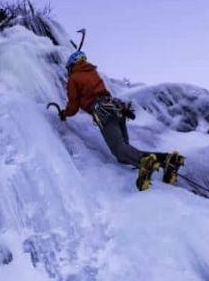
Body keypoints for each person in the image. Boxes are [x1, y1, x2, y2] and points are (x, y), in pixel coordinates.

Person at [58, 50, 183, 191]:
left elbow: (73, 106)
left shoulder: (74, 78)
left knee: (120, 151)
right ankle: (167, 160)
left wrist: (64, 113)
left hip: (103, 112)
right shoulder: (92, 72)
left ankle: (144, 164)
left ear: (72, 65)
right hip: (117, 109)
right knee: (125, 152)